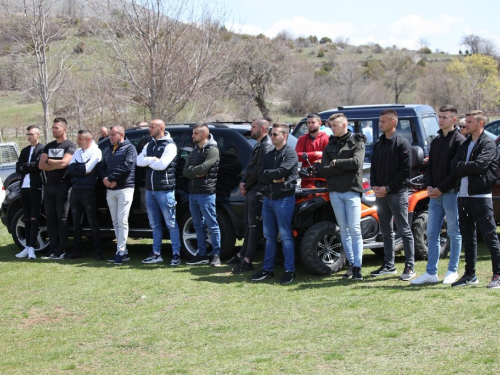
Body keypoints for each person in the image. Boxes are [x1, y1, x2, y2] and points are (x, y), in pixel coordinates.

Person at [411, 105, 465, 285]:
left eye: (445, 117)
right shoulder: (435, 141)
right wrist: (429, 186)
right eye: (439, 116)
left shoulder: (459, 140)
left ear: (454, 120)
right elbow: (430, 166)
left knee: (453, 232)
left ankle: (452, 270)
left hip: (450, 193)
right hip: (434, 194)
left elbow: (455, 171)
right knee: (431, 233)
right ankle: (430, 272)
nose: (441, 120)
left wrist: (441, 188)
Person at [450, 110, 500, 288]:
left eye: (470, 122)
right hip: (463, 196)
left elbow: (480, 166)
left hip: (480, 196)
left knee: (489, 236)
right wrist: (464, 167)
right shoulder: (465, 144)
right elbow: (453, 167)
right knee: (468, 236)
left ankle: (498, 275)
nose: (466, 125)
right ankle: (470, 275)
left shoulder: (488, 144)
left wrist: (462, 166)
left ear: (480, 124)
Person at [370, 109, 416, 281]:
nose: (380, 124)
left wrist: (388, 188)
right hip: (380, 194)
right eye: (380, 121)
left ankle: (409, 266)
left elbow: (405, 172)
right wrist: (375, 185)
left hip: (397, 193)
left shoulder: (402, 144)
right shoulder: (379, 144)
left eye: (383, 121)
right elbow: (373, 167)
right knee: (386, 230)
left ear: (393, 123)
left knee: (404, 229)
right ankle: (389, 265)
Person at [251, 123, 298, 284]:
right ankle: (267, 269)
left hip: (284, 198)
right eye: (271, 134)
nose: (272, 136)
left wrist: (270, 175)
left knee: (285, 236)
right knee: (269, 237)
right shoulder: (269, 154)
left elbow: (282, 172)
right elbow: (261, 175)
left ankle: (289, 271)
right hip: (268, 199)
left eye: (275, 134)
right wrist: (273, 177)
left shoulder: (291, 154)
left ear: (285, 136)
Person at [320, 114, 366, 280]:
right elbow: (323, 169)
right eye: (331, 126)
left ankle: (358, 267)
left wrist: (336, 163)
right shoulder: (330, 144)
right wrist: (341, 167)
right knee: (344, 230)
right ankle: (352, 265)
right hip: (335, 191)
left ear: (344, 124)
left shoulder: (357, 141)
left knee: (354, 229)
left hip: (351, 190)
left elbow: (356, 163)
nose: (332, 128)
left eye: (335, 125)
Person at [227, 118, 273, 273]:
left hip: (258, 190)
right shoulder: (258, 145)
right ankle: (242, 255)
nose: (251, 130)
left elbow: (259, 170)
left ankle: (247, 260)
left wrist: (246, 185)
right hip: (252, 188)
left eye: (253, 127)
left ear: (263, 129)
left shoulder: (266, 146)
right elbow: (250, 168)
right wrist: (244, 182)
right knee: (248, 224)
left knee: (253, 226)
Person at [137, 119, 182, 265]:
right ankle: (156, 253)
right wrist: (152, 159)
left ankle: (176, 254)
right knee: (154, 224)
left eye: (152, 127)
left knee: (171, 223)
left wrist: (149, 161)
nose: (149, 129)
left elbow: (162, 165)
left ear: (161, 128)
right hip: (150, 191)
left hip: (165, 190)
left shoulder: (170, 145)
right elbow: (138, 161)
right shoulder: (150, 144)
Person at [183, 123, 222, 267]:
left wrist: (195, 170)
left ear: (204, 134)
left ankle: (216, 254)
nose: (192, 136)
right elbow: (185, 171)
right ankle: (202, 254)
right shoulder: (193, 152)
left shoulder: (213, 150)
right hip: (193, 193)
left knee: (212, 224)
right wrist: (196, 171)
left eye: (195, 134)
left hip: (206, 193)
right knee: (198, 225)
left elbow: (205, 168)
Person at [39, 117, 76, 260]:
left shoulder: (70, 145)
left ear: (64, 129)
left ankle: (62, 249)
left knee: (63, 218)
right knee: (50, 218)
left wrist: (49, 161)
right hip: (49, 187)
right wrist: (54, 163)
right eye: (53, 128)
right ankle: (52, 248)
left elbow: (64, 164)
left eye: (56, 128)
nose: (54, 130)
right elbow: (41, 165)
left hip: (63, 186)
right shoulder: (48, 146)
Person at [99, 125, 137, 265]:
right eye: (110, 134)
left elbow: (127, 167)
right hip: (111, 189)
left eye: (113, 134)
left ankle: (120, 252)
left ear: (121, 134)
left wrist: (111, 179)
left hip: (124, 189)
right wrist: (106, 180)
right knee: (115, 221)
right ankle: (122, 251)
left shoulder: (129, 148)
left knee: (122, 220)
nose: (110, 137)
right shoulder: (109, 150)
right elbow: (102, 167)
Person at [66, 130, 103, 260]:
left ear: (88, 139)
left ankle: (97, 252)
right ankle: (77, 251)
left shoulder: (96, 152)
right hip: (76, 190)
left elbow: (88, 169)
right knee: (76, 222)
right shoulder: (77, 152)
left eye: (80, 139)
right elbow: (70, 169)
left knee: (92, 221)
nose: (77, 141)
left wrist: (80, 168)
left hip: (88, 190)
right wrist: (81, 169)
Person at [15, 125, 45, 260]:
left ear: (38, 135)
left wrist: (27, 166)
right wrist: (29, 166)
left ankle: (33, 247)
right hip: (24, 188)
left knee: (34, 218)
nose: (29, 137)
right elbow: (18, 168)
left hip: (36, 187)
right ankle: (27, 246)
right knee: (26, 218)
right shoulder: (25, 150)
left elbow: (38, 165)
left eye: (31, 134)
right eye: (28, 134)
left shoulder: (42, 149)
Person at [295, 113, 330, 187]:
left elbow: (328, 156)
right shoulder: (302, 139)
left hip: (323, 179)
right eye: (308, 122)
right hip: (306, 179)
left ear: (320, 123)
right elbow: (296, 156)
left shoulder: (327, 138)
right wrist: (316, 154)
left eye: (313, 122)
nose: (310, 125)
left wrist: (306, 155)